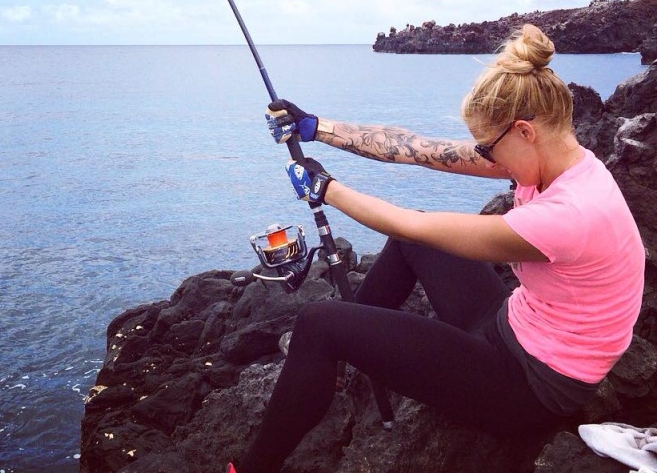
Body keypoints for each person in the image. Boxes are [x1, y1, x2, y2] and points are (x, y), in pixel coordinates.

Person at [228, 24, 645, 473]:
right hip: (513, 327)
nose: (489, 158)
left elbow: (406, 221)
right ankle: (340, 358)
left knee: (318, 322)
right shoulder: (563, 163)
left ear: (524, 131)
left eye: (490, 147)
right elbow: (419, 150)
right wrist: (317, 128)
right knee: (412, 240)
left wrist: (324, 188)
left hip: (528, 389)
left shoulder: (570, 214)